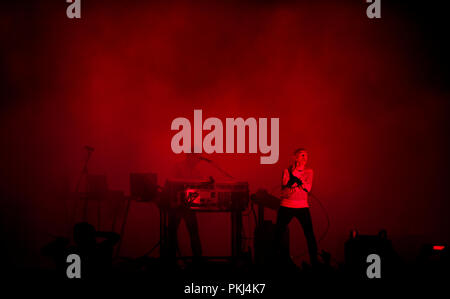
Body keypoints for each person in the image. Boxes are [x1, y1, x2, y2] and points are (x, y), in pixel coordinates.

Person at [273, 148, 318, 267]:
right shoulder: (287, 171)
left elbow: (308, 188)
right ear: (295, 157)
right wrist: (295, 187)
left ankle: (315, 262)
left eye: (306, 156)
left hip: (302, 206)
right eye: (302, 155)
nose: (305, 158)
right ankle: (274, 262)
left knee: (309, 234)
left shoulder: (309, 171)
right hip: (286, 205)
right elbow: (284, 192)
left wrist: (294, 187)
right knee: (278, 234)